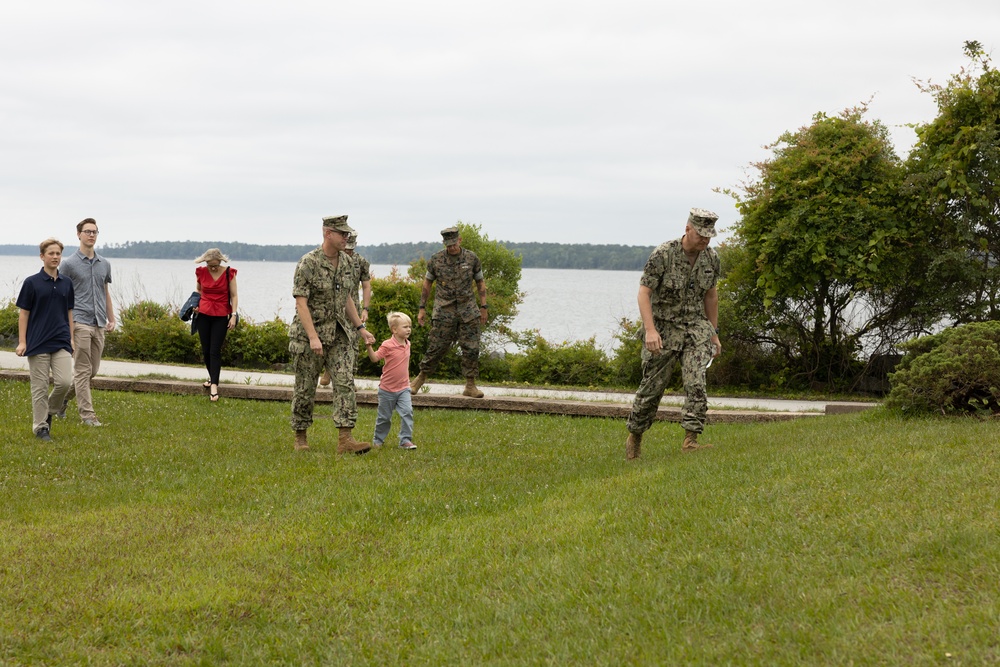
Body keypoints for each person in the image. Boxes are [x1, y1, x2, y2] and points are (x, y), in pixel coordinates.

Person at [625, 208, 722, 460]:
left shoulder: (711, 259)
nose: (705, 240)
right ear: (688, 228)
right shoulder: (663, 254)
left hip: (695, 329)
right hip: (664, 329)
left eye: (709, 236)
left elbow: (711, 296)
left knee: (696, 383)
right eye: (701, 234)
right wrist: (650, 330)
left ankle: (691, 439)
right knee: (652, 388)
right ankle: (635, 438)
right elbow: (644, 292)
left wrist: (713, 333)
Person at [289, 215, 376, 453]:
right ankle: (300, 438)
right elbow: (301, 303)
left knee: (345, 382)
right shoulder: (309, 262)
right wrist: (313, 337)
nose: (346, 238)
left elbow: (346, 298)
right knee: (305, 387)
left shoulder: (348, 263)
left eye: (348, 234)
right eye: (342, 234)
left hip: (339, 333)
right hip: (309, 334)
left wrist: (360, 328)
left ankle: (345, 439)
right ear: (328, 233)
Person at [409, 226, 488, 398]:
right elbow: (427, 284)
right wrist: (422, 308)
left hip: (468, 310)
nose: (451, 247)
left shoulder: (472, 258)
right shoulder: (436, 260)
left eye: (453, 244)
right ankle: (419, 380)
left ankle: (470, 385)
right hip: (444, 309)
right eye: (448, 245)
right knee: (436, 347)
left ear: (459, 240)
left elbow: (480, 282)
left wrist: (484, 307)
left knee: (471, 348)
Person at [15, 238, 75, 442]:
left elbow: (69, 313)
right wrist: (22, 342)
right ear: (42, 256)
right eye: (51, 253)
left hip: (61, 341)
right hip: (37, 342)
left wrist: (72, 339)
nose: (55, 257)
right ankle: (41, 427)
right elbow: (24, 313)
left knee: (65, 382)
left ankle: (49, 411)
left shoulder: (67, 283)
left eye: (58, 253)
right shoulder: (31, 283)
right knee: (39, 387)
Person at [59, 218, 115, 426]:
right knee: (82, 370)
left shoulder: (105, 264)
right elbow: (61, 296)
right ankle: (88, 415)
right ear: (79, 234)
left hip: (99, 322)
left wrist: (111, 317)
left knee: (92, 371)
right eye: (87, 231)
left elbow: (105, 292)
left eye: (95, 231)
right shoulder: (68, 265)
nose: (91, 235)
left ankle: (62, 399)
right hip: (79, 322)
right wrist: (66, 325)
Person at [320, 231, 371, 387]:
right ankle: (328, 370)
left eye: (350, 249)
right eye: (346, 248)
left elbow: (366, 285)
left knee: (352, 344)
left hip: (352, 307)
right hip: (334, 307)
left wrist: (365, 309)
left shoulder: (360, 262)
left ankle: (349, 379)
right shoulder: (331, 259)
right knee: (331, 339)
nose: (347, 251)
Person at [365, 311, 417, 449]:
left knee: (407, 412)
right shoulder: (388, 345)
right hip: (387, 390)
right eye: (405, 327)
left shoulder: (408, 344)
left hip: (404, 388)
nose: (409, 329)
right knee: (384, 418)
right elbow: (375, 358)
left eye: (409, 326)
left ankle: (405, 440)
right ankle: (378, 440)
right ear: (394, 330)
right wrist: (369, 347)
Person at [193, 248, 239, 402]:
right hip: (203, 315)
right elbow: (199, 290)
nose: (212, 268)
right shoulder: (200, 272)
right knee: (206, 351)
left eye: (215, 265)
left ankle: (214, 386)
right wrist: (195, 304)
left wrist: (233, 315)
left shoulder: (229, 273)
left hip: (220, 316)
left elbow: (234, 295)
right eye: (210, 265)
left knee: (215, 351)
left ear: (220, 261)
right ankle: (212, 378)